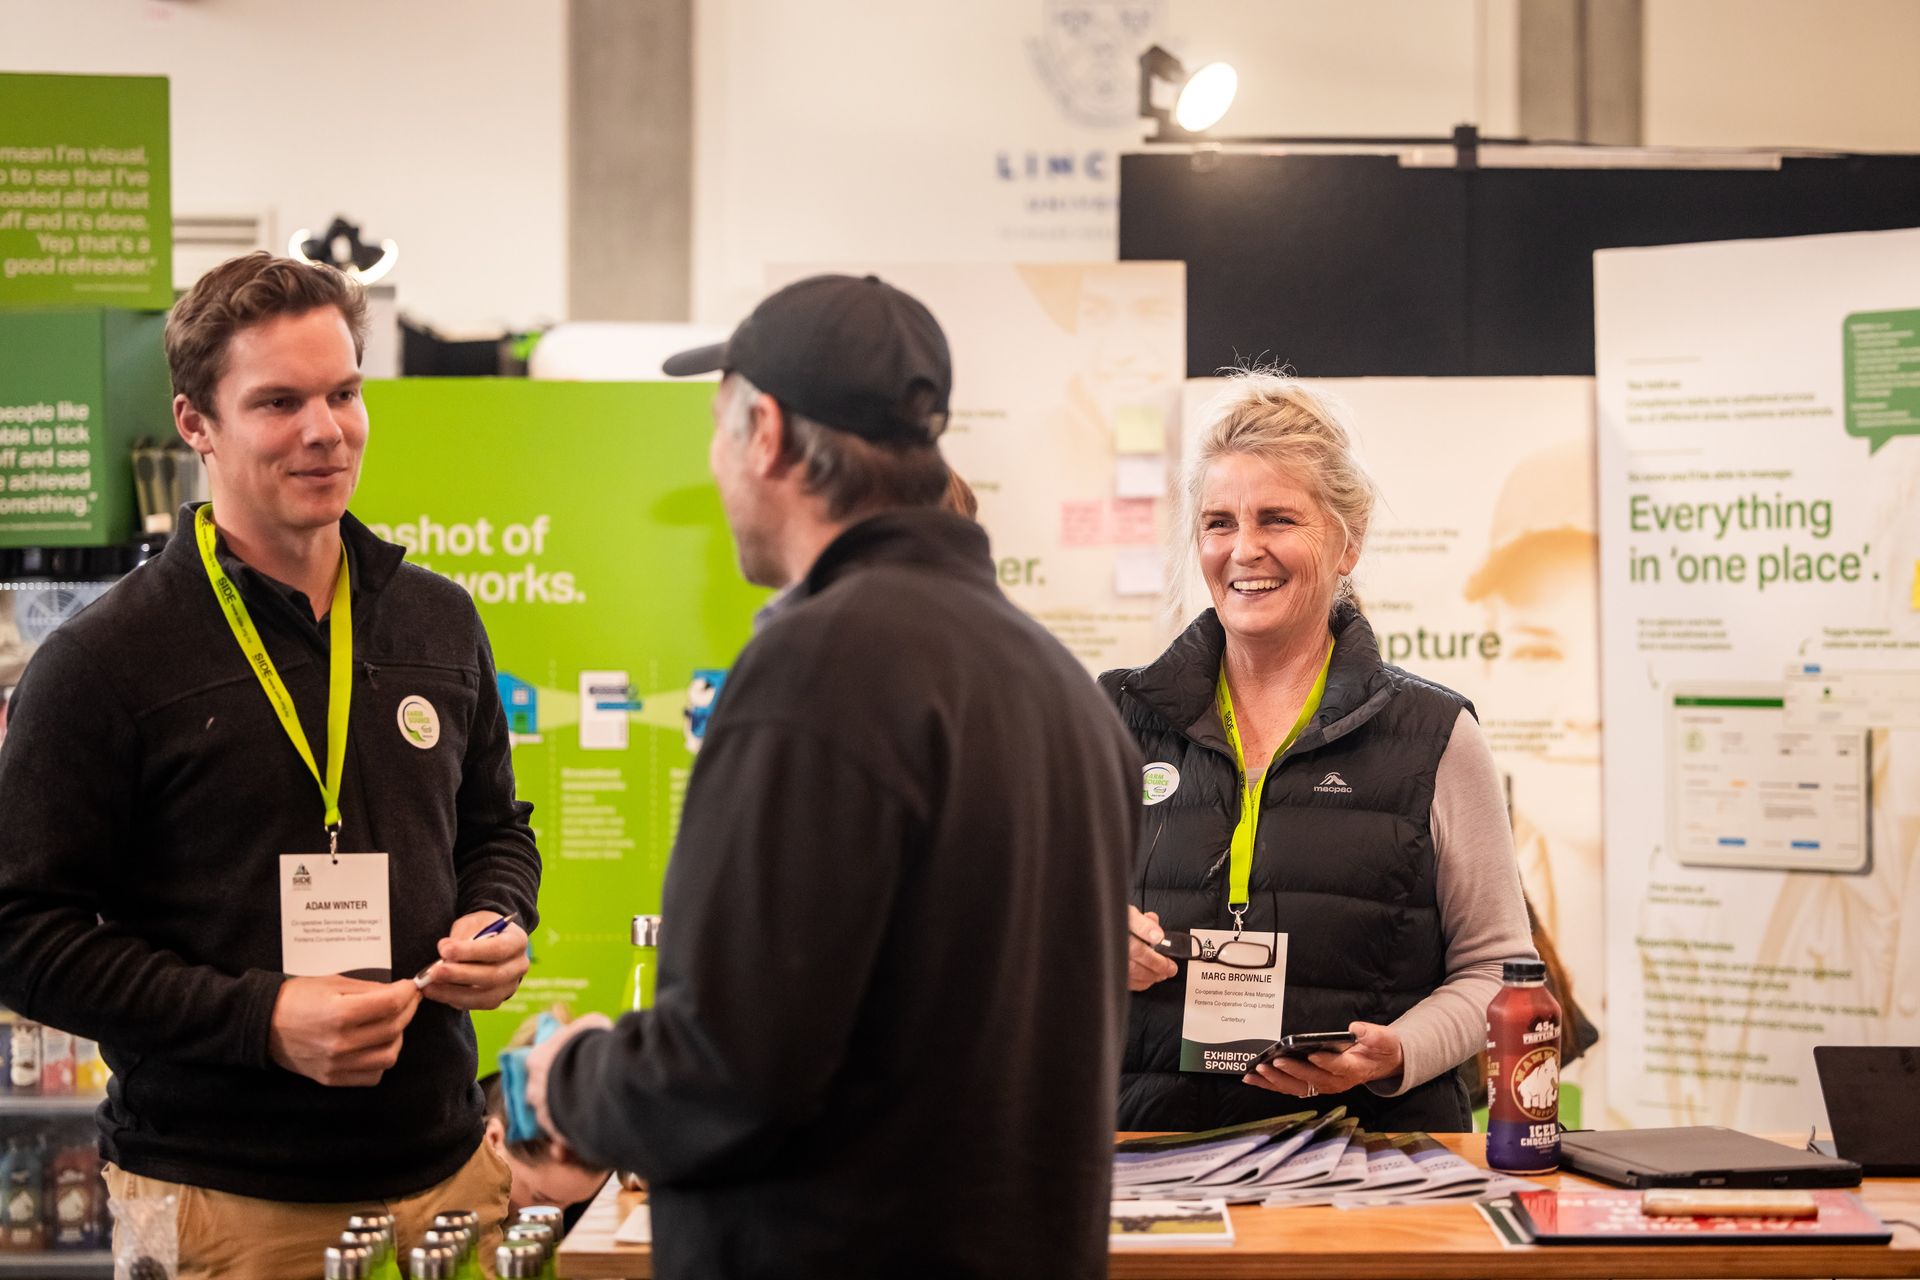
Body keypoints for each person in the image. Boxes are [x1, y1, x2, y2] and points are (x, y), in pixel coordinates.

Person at [524, 274, 1139, 1278]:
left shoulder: (820, 668)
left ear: (763, 431)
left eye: (720, 428)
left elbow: (728, 1066)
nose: (718, 463)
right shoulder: (1058, 682)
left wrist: (570, 1077)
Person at [0, 253, 540, 1279]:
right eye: (279, 401)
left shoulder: (437, 618)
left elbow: (494, 829)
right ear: (196, 421)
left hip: (451, 1174)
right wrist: (262, 1019)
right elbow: (21, 929)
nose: (325, 429)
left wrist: (498, 916)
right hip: (227, 1204)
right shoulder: (104, 661)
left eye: (343, 392)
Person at [1110, 372, 1535, 1132]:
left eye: (1277, 518)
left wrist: (1398, 1051)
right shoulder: (1116, 714)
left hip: (1367, 1167)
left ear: (1349, 538)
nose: (1244, 550)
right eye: (1217, 522)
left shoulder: (1434, 734)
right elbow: (1029, 928)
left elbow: (1500, 973)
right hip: (1154, 1161)